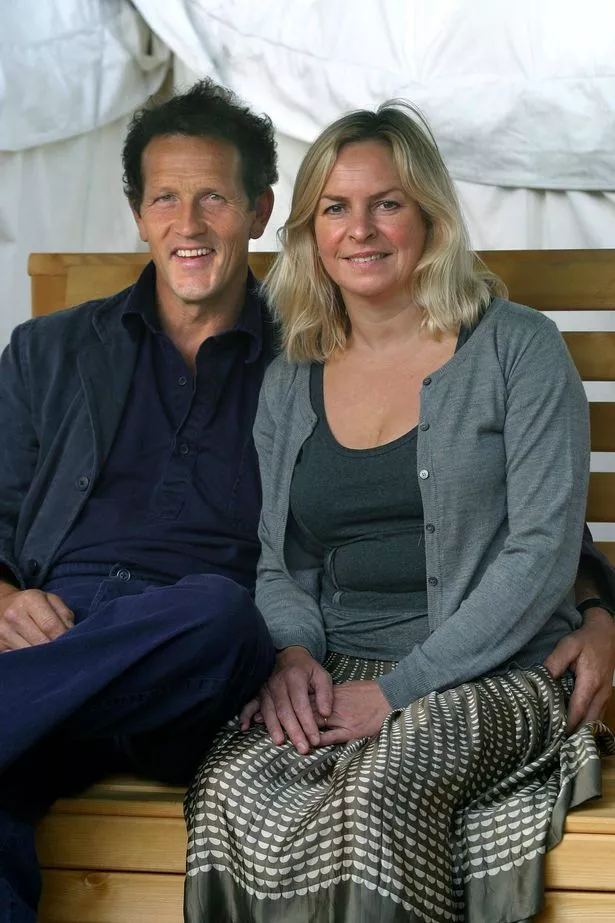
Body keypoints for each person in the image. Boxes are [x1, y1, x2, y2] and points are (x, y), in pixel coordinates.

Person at [184, 101, 615, 923]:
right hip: (338, 664)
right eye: (335, 208)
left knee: (377, 793)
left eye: (387, 203)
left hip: (495, 669)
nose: (361, 229)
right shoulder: (290, 374)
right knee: (231, 789)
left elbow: (540, 551)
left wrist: (401, 690)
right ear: (309, 232)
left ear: (428, 216)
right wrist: (295, 654)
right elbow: (281, 562)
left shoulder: (517, 347)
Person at [0, 79, 279, 921]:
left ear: (260, 210)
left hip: (193, 662)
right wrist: (4, 596)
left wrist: (594, 599)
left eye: (213, 199)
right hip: (54, 636)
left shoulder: (315, 358)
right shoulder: (48, 349)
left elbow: (454, 483)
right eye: (165, 198)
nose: (187, 225)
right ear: (137, 212)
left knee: (220, 611)